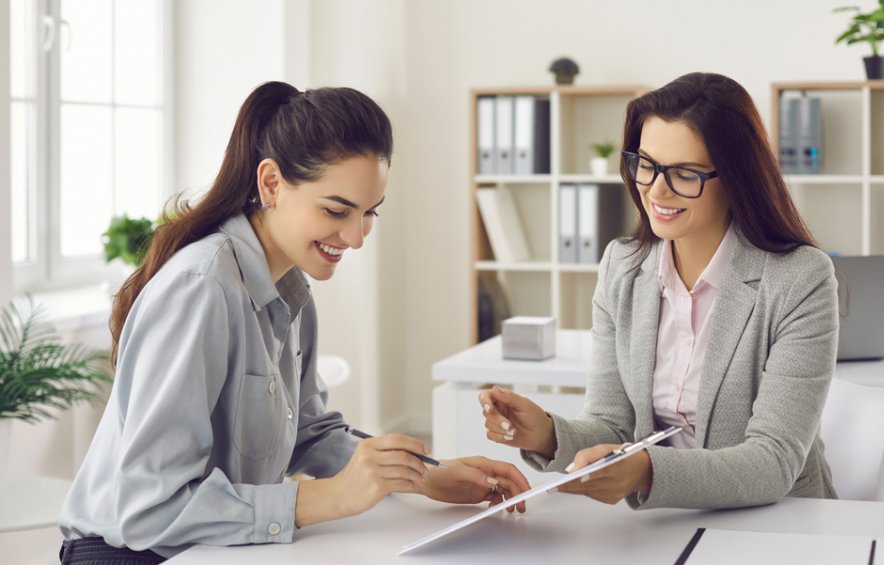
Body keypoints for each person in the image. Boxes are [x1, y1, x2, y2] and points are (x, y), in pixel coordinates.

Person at [58, 81, 529, 564]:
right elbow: (149, 508)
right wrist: (332, 497)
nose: (356, 237)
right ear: (271, 184)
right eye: (336, 210)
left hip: (214, 549)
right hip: (130, 555)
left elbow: (308, 432)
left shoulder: (291, 288)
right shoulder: (201, 287)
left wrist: (426, 475)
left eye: (369, 213)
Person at [479, 72, 839, 510]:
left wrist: (648, 471)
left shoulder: (800, 278)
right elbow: (612, 424)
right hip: (661, 523)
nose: (656, 189)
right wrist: (550, 434)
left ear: (737, 177)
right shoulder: (622, 266)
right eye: (646, 165)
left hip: (777, 521)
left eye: (684, 173)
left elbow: (773, 460)